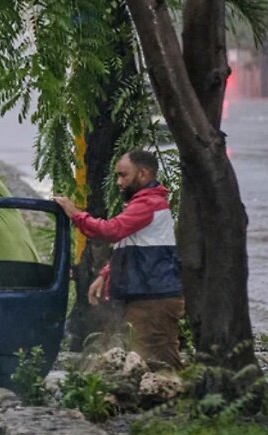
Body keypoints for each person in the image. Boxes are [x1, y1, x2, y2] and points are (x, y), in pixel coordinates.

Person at [54, 150, 183, 369]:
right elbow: (130, 246)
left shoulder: (148, 204)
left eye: (123, 175)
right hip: (148, 297)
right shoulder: (143, 203)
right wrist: (105, 274)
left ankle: (183, 399)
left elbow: (111, 231)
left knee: (158, 363)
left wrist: (75, 213)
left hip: (152, 300)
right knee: (151, 361)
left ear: (143, 174)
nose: (118, 182)